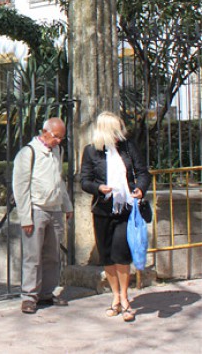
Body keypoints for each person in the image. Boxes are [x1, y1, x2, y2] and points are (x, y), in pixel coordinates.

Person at [80, 111, 149, 322]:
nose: (121, 133)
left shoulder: (128, 147)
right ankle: (115, 298)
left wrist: (140, 189)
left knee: (122, 254)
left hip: (126, 210)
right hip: (102, 209)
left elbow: (143, 172)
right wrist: (99, 187)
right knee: (107, 255)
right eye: (116, 129)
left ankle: (126, 299)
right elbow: (84, 180)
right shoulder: (92, 151)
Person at [13, 117, 74, 314]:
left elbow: (59, 180)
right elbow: (20, 187)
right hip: (37, 209)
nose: (58, 141)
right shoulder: (28, 152)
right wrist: (26, 217)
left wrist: (67, 205)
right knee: (33, 256)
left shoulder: (58, 151)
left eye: (61, 138)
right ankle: (29, 296)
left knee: (52, 255)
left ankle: (47, 292)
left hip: (54, 209)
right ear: (45, 132)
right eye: (56, 136)